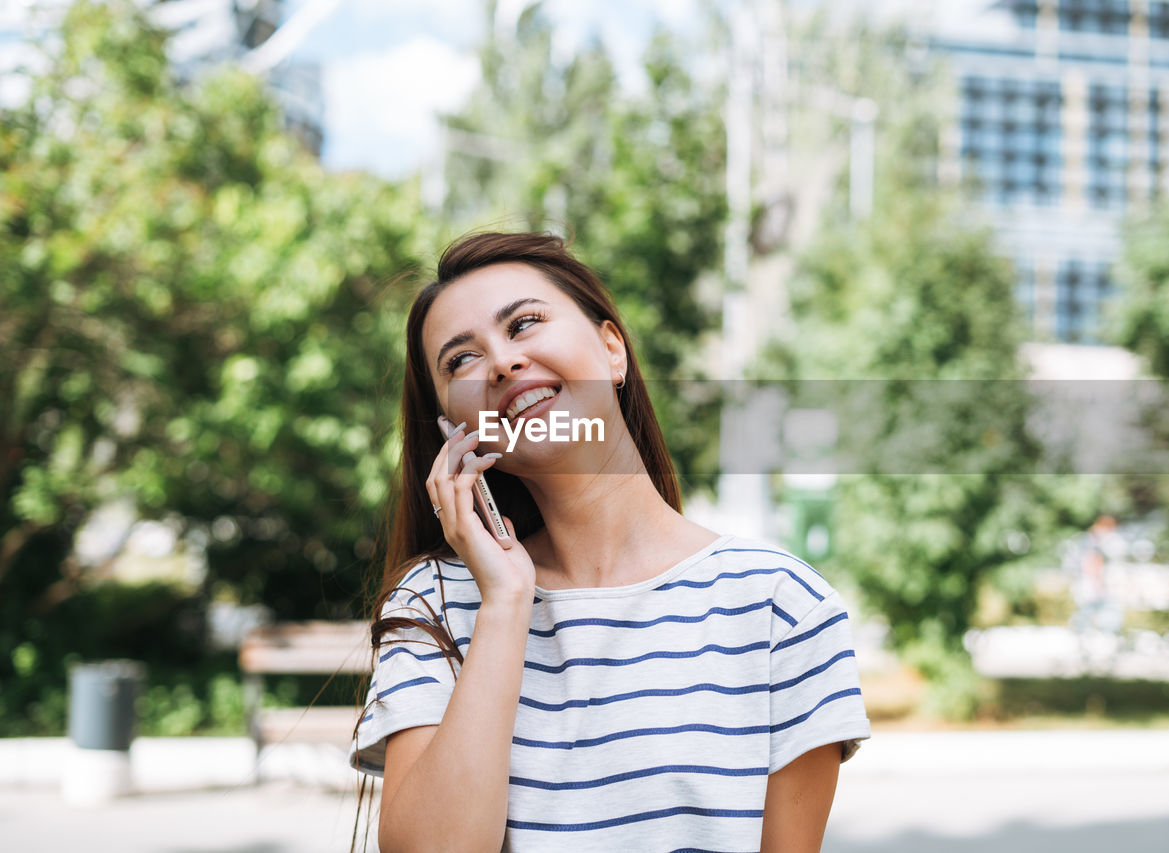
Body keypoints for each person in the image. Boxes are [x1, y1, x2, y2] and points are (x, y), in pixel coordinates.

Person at [348, 231, 872, 852]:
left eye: (525, 324)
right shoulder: (434, 602)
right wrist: (507, 602)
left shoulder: (779, 603)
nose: (502, 363)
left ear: (611, 349)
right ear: (453, 428)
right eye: (461, 360)